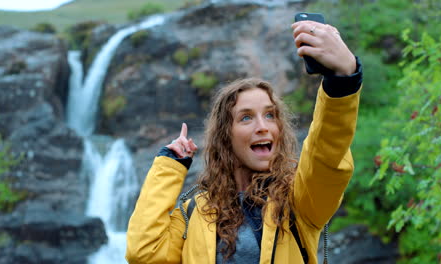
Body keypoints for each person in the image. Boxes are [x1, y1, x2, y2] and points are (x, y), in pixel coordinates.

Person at [126, 20, 362, 264]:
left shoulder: (300, 199)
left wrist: (341, 82)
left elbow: (326, 154)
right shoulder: (195, 212)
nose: (263, 126)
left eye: (270, 115)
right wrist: (170, 165)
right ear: (225, 136)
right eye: (246, 117)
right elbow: (144, 251)